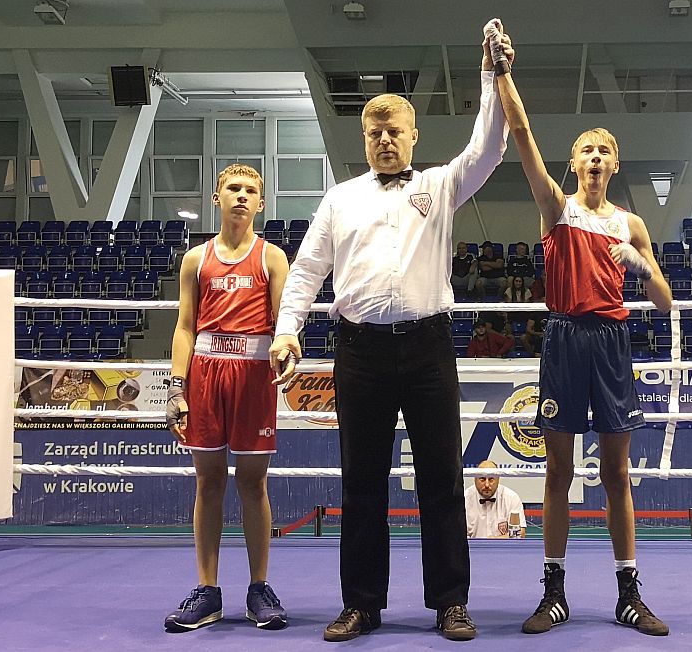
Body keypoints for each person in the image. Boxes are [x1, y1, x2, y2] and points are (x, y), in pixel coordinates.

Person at [269, 21, 513, 643]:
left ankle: (451, 601)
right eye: (374, 132)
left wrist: (490, 75)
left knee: (441, 477)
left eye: (394, 131)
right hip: (359, 350)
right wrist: (287, 330)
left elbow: (488, 147)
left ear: (413, 137)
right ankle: (361, 603)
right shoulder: (339, 198)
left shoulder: (440, 184)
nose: (383, 140)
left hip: (429, 345)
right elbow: (305, 271)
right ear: (364, 138)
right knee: (363, 482)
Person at [489, 22, 673, 637]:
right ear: (573, 163)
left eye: (604, 152)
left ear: (615, 164)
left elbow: (666, 304)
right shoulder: (556, 207)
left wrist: (643, 267)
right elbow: (520, 132)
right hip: (565, 337)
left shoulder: (632, 224)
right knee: (559, 472)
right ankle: (554, 592)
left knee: (618, 473)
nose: (595, 159)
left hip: (612, 343)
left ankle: (627, 592)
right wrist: (501, 70)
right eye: (586, 151)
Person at [163, 164, 290, 633]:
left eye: (250, 190)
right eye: (233, 188)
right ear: (217, 197)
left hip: (254, 375)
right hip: (205, 372)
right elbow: (184, 326)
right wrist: (176, 387)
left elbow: (284, 321)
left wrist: (288, 350)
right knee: (208, 481)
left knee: (253, 482)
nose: (241, 195)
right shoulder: (196, 260)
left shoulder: (272, 258)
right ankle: (208, 590)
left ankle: (259, 588)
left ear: (261, 203)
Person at [464, 460, 526, 539]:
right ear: (475, 479)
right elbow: (456, 534)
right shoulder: (464, 499)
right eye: (482, 479)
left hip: (504, 548)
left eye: (491, 479)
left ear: (498, 479)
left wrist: (493, 540)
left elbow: (520, 533)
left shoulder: (511, 498)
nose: (487, 485)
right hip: (471, 549)